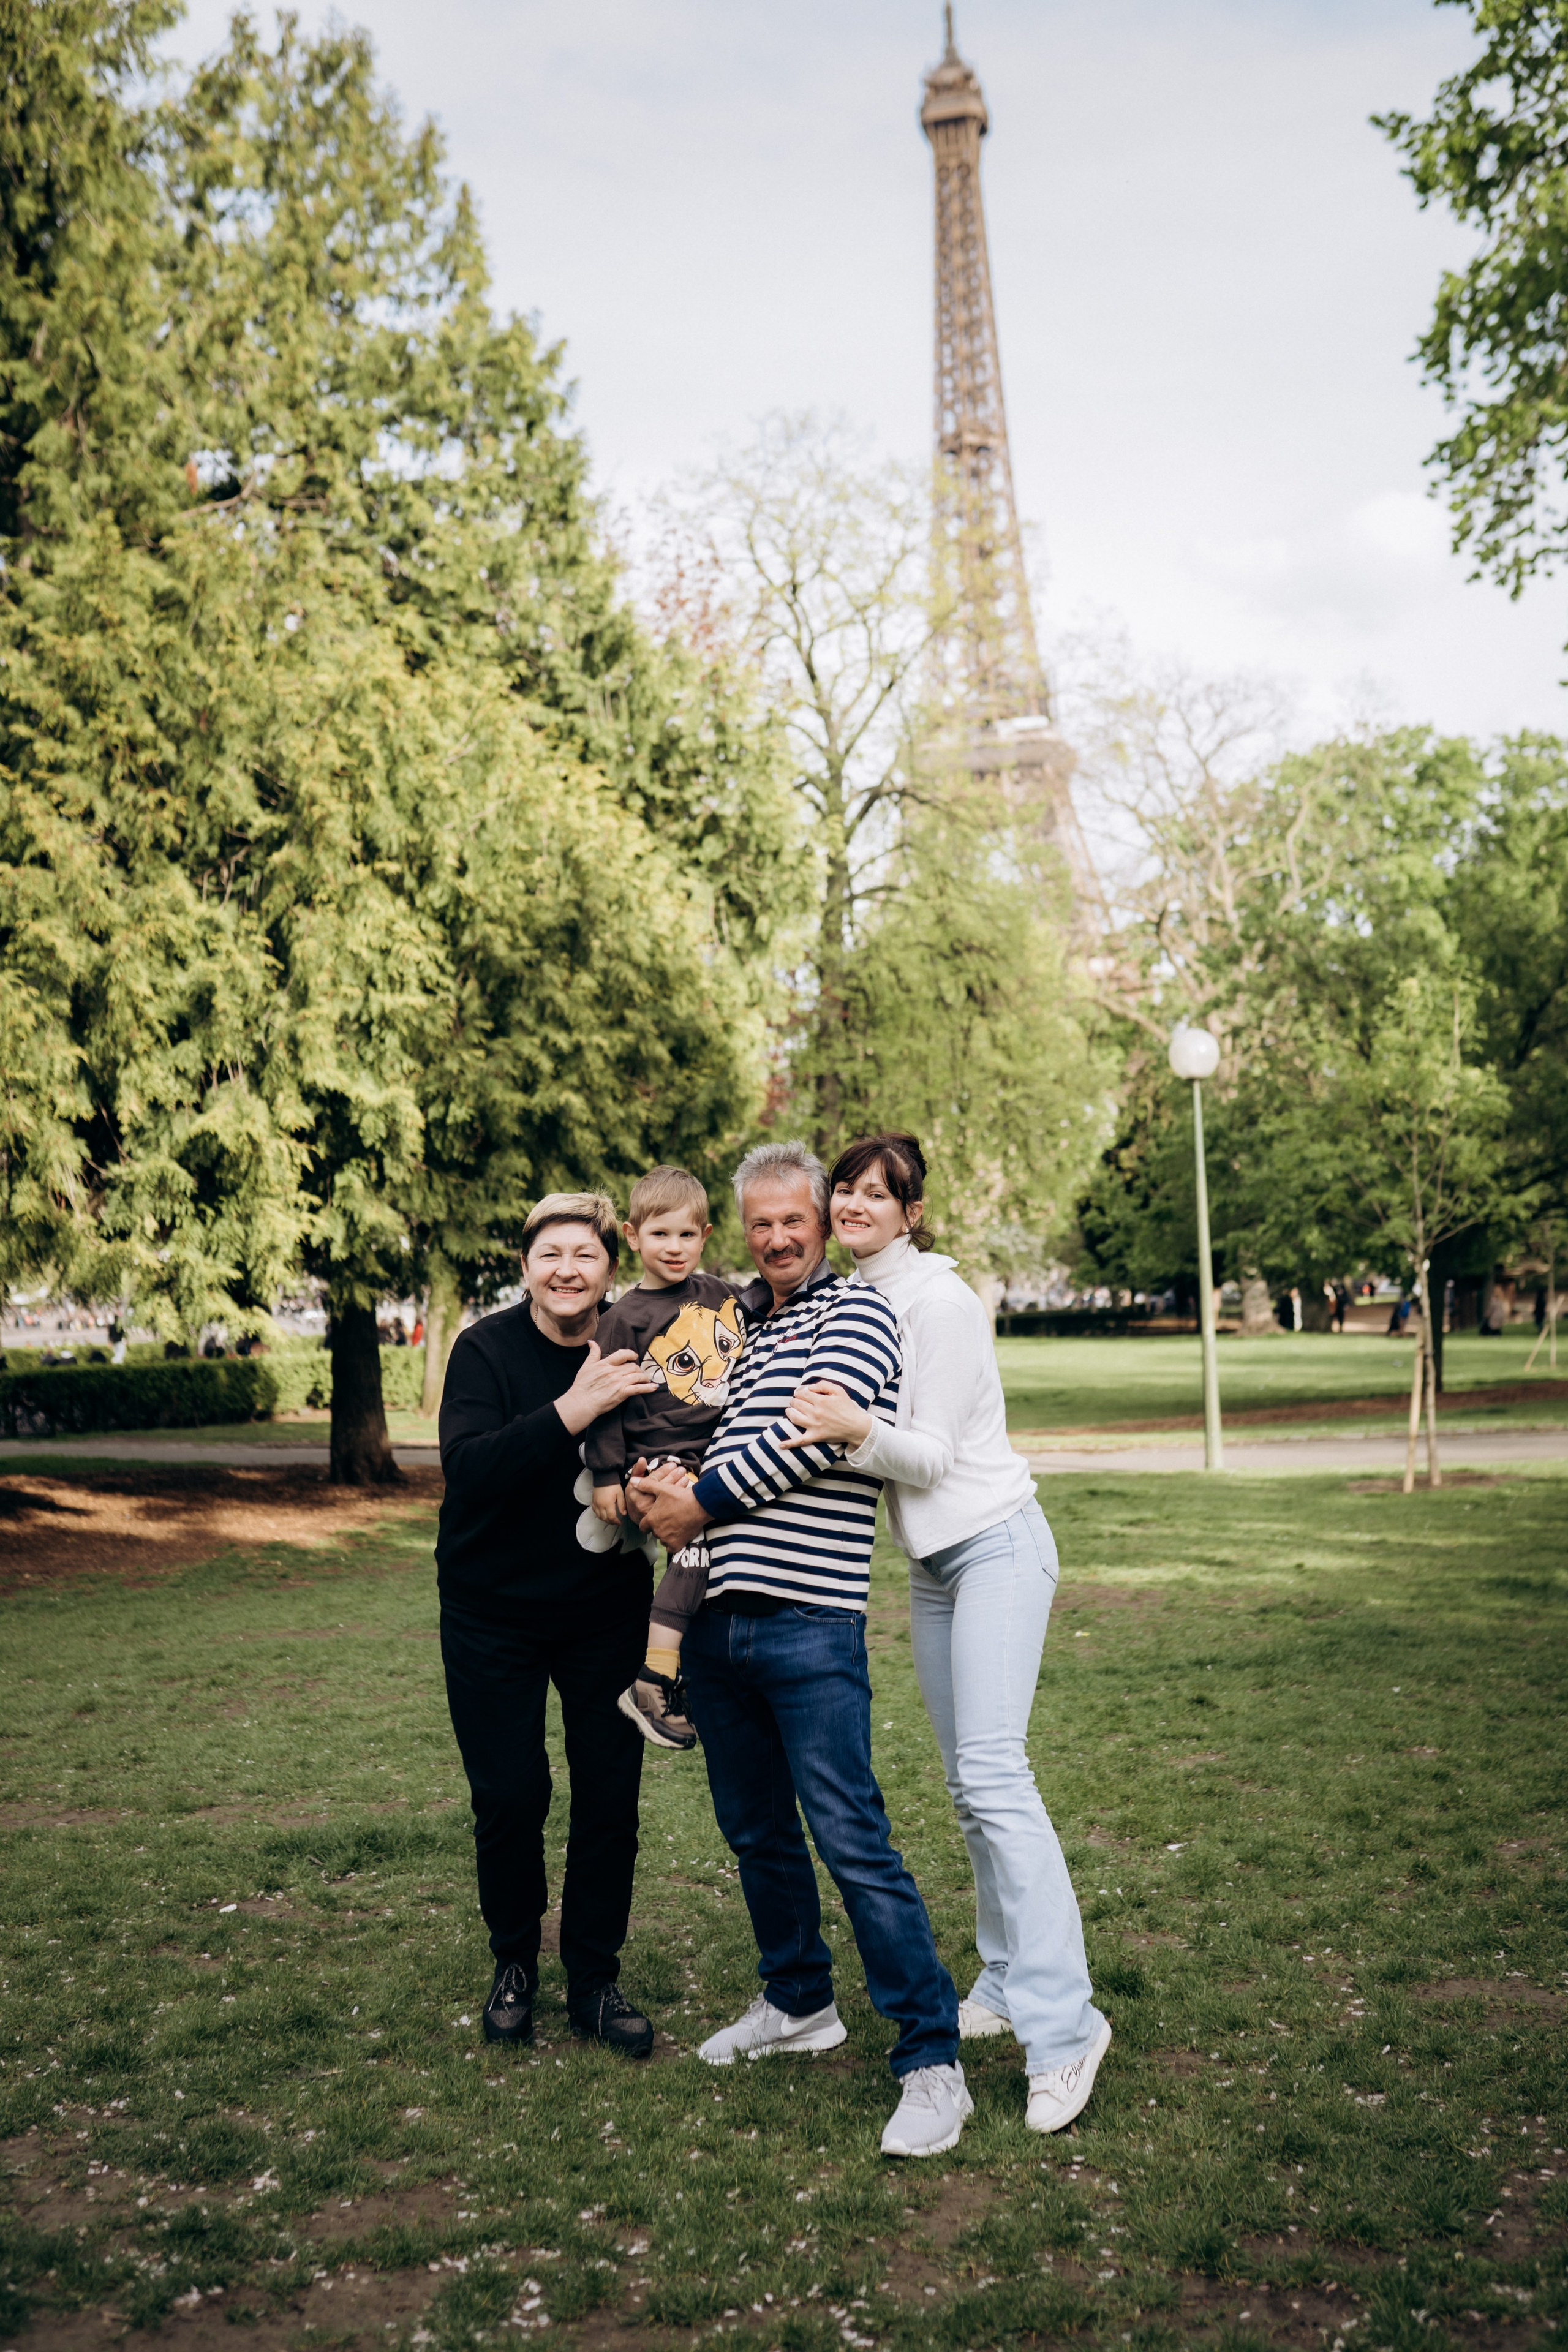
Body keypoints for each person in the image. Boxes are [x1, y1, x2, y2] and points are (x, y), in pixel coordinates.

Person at [629, 1140, 968, 2161]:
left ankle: (931, 2059)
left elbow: (814, 1440)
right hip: (719, 1616)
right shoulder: (739, 1328)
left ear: (821, 1218)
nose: (777, 1237)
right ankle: (799, 2003)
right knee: (756, 1832)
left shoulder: (854, 1310)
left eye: (794, 1218)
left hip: (809, 1616)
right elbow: (710, 1434)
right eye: (761, 1222)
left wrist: (699, 1503)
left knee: (852, 1837)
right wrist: (654, 1487)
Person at [781, 1133, 1110, 2137]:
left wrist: (847, 1430)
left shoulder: (941, 1303)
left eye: (879, 1194)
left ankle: (1066, 2029)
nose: (856, 1204)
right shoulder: (855, 1303)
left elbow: (924, 1456)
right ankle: (1004, 1983)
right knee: (971, 1789)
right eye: (846, 1187)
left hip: (997, 1548)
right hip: (934, 1569)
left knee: (997, 1777)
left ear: (912, 1212)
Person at [435, 1192, 660, 2058]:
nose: (568, 1270)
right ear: (527, 1264)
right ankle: (514, 1963)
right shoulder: (484, 1350)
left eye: (587, 1254)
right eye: (550, 1254)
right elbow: (471, 1470)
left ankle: (595, 1979)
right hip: (492, 1611)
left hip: (605, 1611)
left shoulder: (635, 1341)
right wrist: (574, 1407)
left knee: (609, 1797)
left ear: (611, 1265)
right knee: (510, 1794)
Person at [580, 1165, 749, 1753]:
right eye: (660, 1235)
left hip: (710, 1460)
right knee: (695, 1555)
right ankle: (653, 1679)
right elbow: (604, 1403)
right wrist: (607, 1476)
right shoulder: (622, 1318)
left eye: (686, 1235)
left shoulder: (723, 1295)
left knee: (710, 1562)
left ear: (705, 1236)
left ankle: (681, 1676)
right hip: (655, 1464)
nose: (673, 1248)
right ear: (632, 1237)